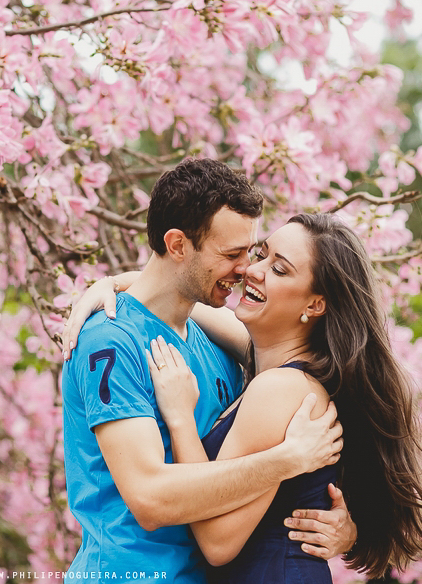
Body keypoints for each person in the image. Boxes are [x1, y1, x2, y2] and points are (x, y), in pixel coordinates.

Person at [69, 213, 422, 582]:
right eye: (262, 254)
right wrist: (115, 284)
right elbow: (177, 298)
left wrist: (182, 419)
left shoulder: (281, 388)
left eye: (279, 269)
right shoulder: (277, 366)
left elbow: (216, 541)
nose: (251, 270)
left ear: (314, 304)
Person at [60, 159, 356, 583]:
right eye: (232, 254)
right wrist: (286, 460)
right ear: (178, 245)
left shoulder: (224, 348)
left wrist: (350, 526)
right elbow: (149, 498)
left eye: (251, 253)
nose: (246, 270)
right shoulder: (111, 341)